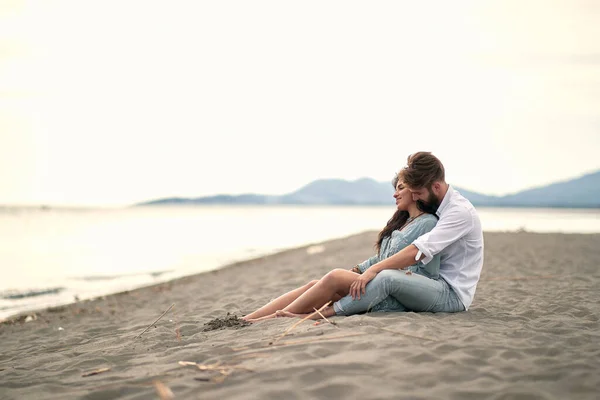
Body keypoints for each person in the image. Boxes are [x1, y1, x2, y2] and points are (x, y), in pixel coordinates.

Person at [278, 151, 484, 320]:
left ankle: (307, 315)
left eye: (418, 193)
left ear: (436, 187)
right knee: (319, 284)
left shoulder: (458, 212)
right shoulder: (437, 209)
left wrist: (372, 271)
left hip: (450, 294)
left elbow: (418, 251)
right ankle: (257, 317)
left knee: (364, 278)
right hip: (423, 286)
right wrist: (363, 269)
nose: (415, 197)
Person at [242, 175, 441, 322]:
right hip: (379, 284)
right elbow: (380, 258)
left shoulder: (428, 223)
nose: (395, 194)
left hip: (396, 293)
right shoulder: (404, 222)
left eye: (400, 188)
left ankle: (270, 320)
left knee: (335, 277)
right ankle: (249, 319)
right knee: (315, 283)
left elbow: (424, 268)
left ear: (415, 191)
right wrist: (357, 270)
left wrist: (389, 274)